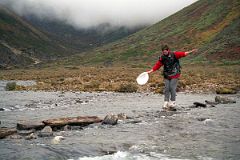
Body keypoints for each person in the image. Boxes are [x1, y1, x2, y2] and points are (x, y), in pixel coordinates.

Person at [147, 45, 197, 110]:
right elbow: (157, 65)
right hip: (166, 74)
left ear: (168, 50)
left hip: (175, 74)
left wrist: (191, 51)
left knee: (172, 88)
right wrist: (150, 71)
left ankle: (173, 102)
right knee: (166, 88)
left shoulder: (174, 54)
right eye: (163, 52)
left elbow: (184, 54)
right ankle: (166, 102)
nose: (164, 53)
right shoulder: (162, 58)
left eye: (165, 52)